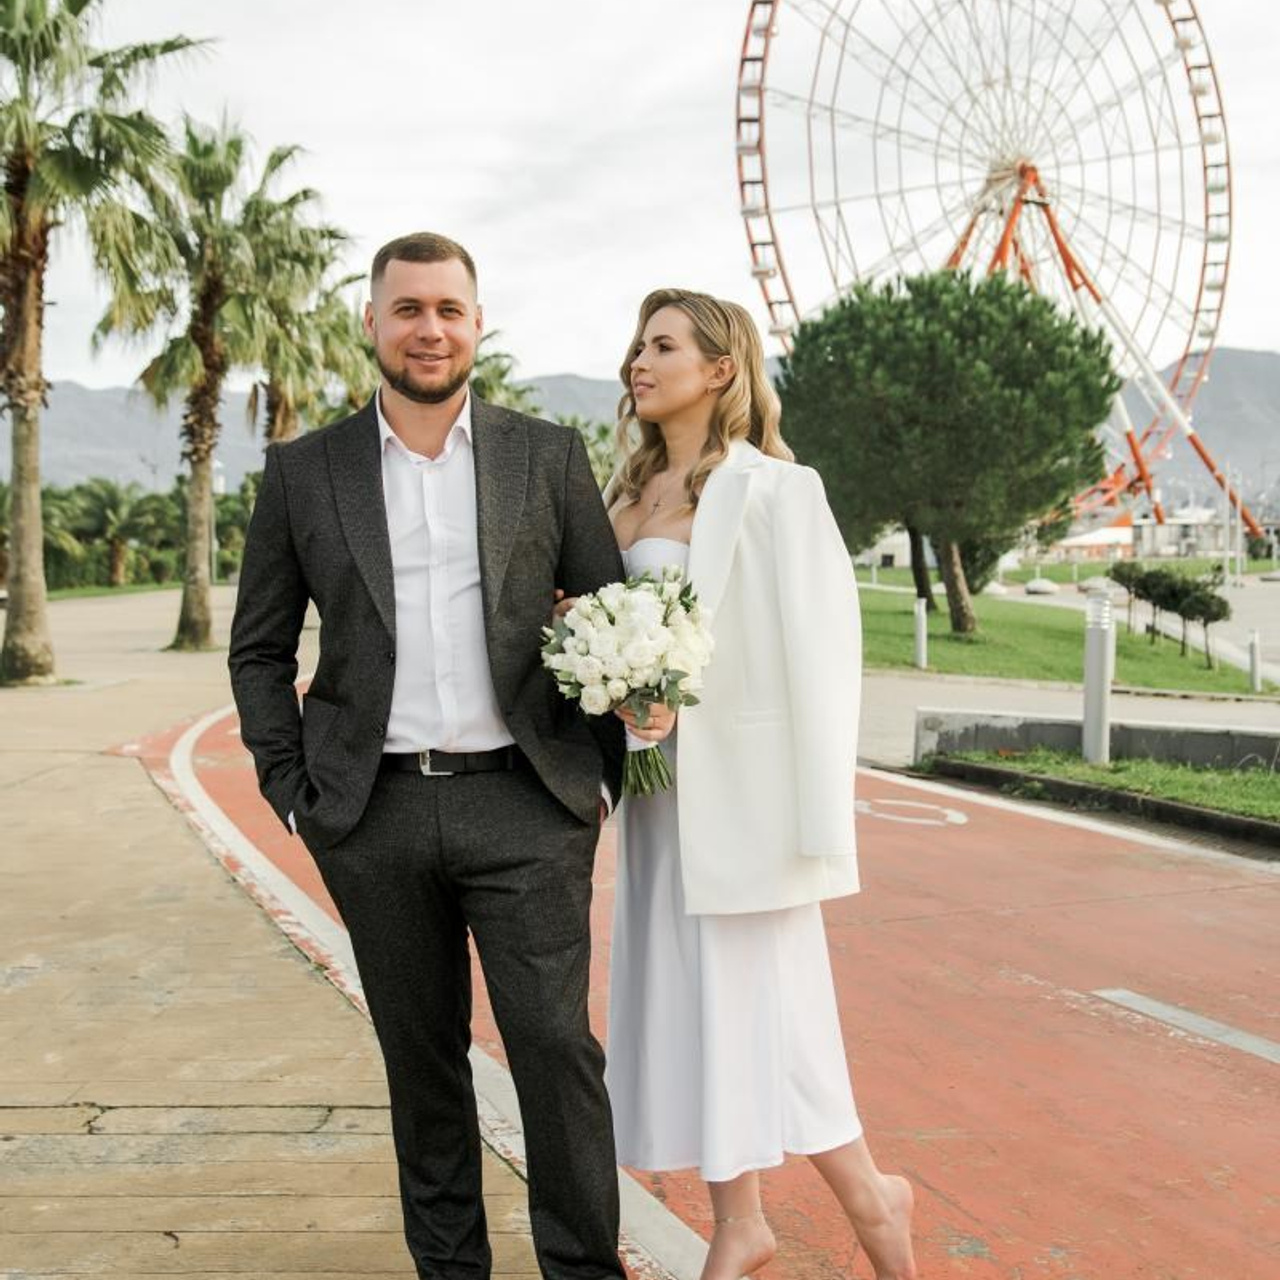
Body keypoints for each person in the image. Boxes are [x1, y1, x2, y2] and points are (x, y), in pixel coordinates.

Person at [228, 232, 627, 1280]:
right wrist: (292, 791)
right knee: (423, 1066)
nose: (428, 328)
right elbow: (260, 647)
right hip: (374, 812)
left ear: (476, 323)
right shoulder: (302, 472)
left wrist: (597, 770)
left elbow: (611, 615)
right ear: (371, 322)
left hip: (524, 805)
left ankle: (582, 1269)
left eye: (448, 308)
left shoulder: (545, 456)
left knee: (555, 1053)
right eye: (407, 308)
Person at [599, 288, 917, 1280]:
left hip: (744, 800)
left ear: (720, 368)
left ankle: (868, 1195)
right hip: (653, 800)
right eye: (636, 345)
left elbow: (822, 659)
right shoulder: (620, 497)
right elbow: (594, 632)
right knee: (695, 1002)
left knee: (766, 1004)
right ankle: (738, 1214)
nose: (636, 362)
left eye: (660, 345)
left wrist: (816, 825)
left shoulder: (780, 489)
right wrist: (611, 689)